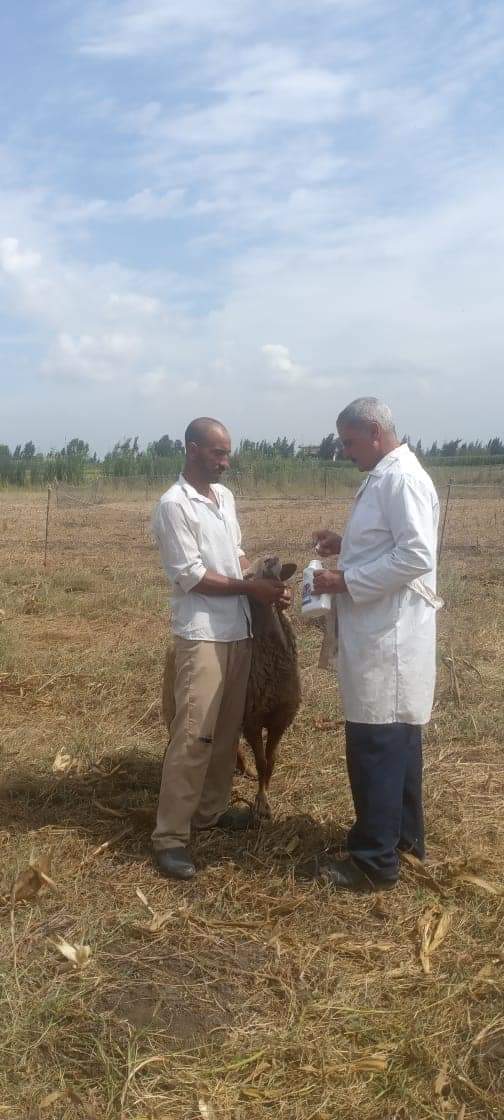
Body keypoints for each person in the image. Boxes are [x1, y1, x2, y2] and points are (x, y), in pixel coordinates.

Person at [151, 417, 289, 881]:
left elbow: (236, 552)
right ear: (191, 449)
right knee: (194, 734)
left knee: (227, 731)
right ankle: (171, 836)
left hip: (239, 631)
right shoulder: (174, 505)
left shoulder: (224, 498)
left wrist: (263, 582)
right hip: (203, 633)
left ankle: (209, 813)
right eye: (217, 453)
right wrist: (250, 590)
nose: (226, 462)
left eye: (228, 453)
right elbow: (190, 575)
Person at [312, 397, 440, 891]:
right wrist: (346, 546)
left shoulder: (400, 478)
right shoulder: (386, 476)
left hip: (388, 635)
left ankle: (372, 860)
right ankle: (403, 840)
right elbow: (389, 543)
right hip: (384, 630)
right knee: (398, 742)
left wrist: (345, 580)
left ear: (373, 431)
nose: (345, 452)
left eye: (349, 442)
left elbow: (416, 555)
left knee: (375, 746)